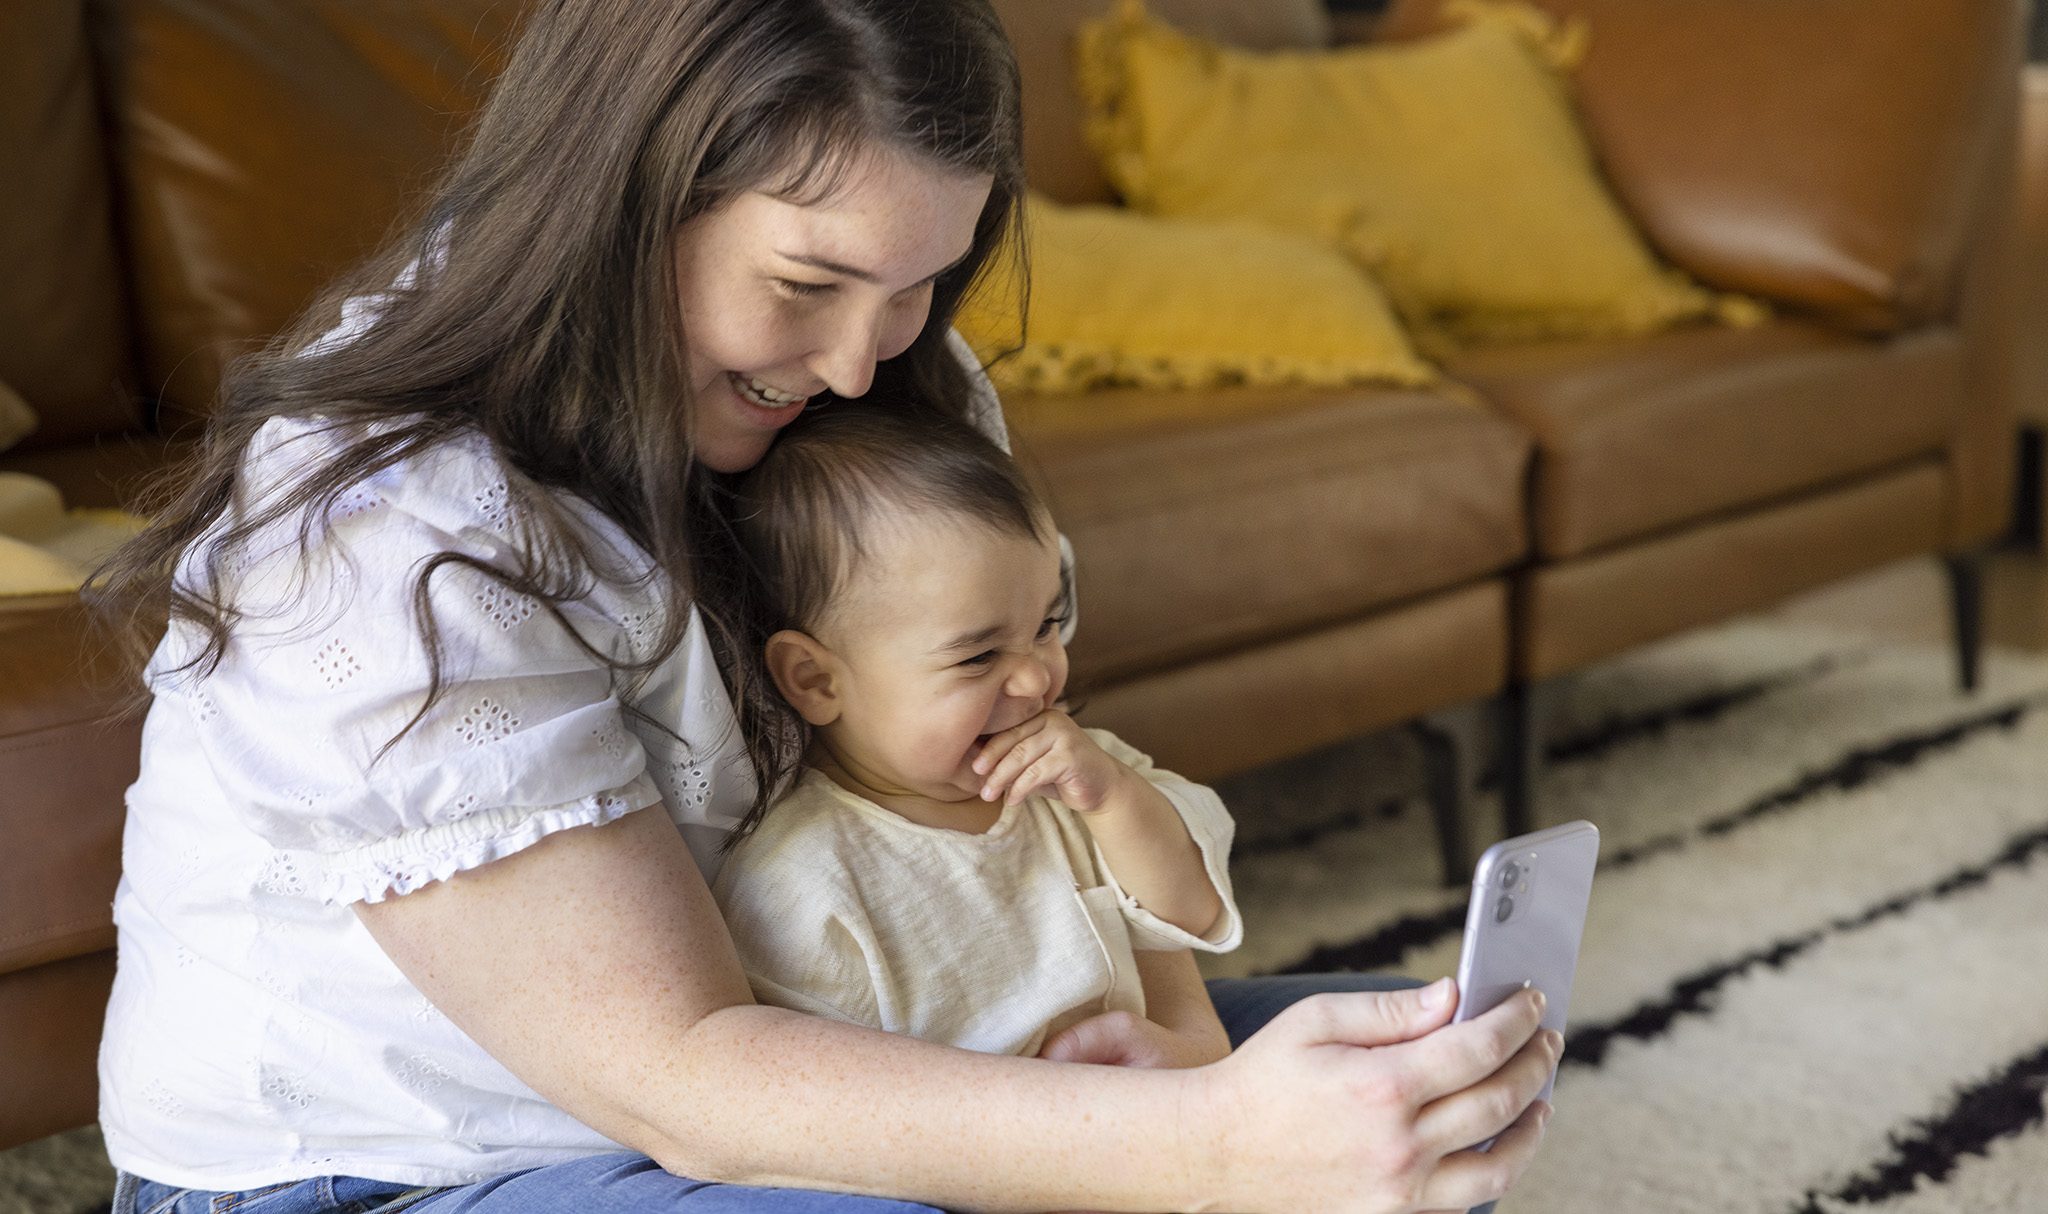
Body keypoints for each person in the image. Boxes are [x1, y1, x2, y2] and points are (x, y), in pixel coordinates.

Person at [88, 1, 1559, 1212]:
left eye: (921, 283)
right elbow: (682, 1079)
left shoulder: (884, 397)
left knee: (1417, 1061)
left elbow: (1035, 809)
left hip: (806, 1042)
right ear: (620, 203)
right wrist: (1211, 1144)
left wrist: (1179, 1043)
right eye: (808, 282)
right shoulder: (388, 535)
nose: (861, 361)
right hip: (404, 1169)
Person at [713, 404, 1243, 1063]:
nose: (1036, 679)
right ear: (817, 681)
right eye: (978, 658)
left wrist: (1111, 801)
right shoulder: (804, 882)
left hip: (1157, 1103)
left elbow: (1192, 913)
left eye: (1047, 626)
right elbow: (832, 1116)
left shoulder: (1088, 780)